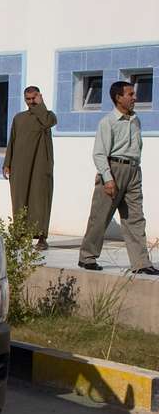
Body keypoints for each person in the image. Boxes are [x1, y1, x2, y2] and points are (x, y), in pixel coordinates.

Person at [78, 81, 158, 275]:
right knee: (100, 216)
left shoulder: (135, 119)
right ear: (118, 98)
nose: (135, 98)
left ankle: (141, 263)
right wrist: (108, 178)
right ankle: (87, 257)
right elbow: (99, 153)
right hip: (113, 169)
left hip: (133, 171)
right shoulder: (108, 122)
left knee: (135, 218)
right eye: (130, 94)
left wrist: (135, 171)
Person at [3, 86, 57, 251]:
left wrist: (41, 105)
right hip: (19, 166)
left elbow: (48, 122)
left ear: (39, 97)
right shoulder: (19, 118)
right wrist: (7, 163)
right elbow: (12, 140)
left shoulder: (47, 116)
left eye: (34, 98)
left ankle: (42, 237)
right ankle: (19, 235)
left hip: (40, 166)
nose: (31, 102)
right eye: (28, 99)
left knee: (40, 199)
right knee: (19, 199)